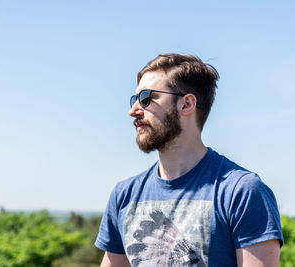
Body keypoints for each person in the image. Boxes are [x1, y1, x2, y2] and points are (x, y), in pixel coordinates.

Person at [95, 54, 283, 267]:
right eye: (134, 99)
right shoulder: (124, 195)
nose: (133, 111)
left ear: (186, 104)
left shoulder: (241, 192)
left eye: (147, 98)